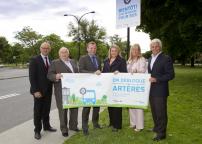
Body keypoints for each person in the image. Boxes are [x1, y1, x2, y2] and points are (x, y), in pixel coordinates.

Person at [47, 47, 79, 137]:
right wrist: (56, 76)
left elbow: (78, 73)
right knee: (63, 110)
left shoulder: (73, 62)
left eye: (66, 52)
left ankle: (73, 126)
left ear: (68, 53)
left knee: (74, 108)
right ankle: (64, 129)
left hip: (73, 90)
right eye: (62, 52)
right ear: (59, 54)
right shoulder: (54, 62)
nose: (64, 54)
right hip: (61, 90)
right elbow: (49, 75)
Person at [148, 38, 175, 141]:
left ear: (160, 47)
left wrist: (157, 79)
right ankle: (156, 127)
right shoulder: (150, 59)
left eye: (156, 46)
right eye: (152, 46)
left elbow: (171, 75)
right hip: (151, 90)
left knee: (161, 112)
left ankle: (161, 133)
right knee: (154, 111)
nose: (154, 48)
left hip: (160, 90)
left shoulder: (166, 58)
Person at [29, 42, 56, 140]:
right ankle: (37, 130)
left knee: (46, 109)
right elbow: (32, 77)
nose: (45, 49)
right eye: (43, 48)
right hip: (38, 91)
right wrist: (35, 90)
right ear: (40, 49)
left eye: (47, 48)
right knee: (38, 111)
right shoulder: (34, 60)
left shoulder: (51, 60)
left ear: (50, 49)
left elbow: (51, 74)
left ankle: (47, 126)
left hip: (48, 90)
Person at [79, 41, 102, 135]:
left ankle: (95, 123)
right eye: (91, 48)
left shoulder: (97, 58)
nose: (93, 50)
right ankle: (85, 127)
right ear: (87, 49)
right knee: (87, 108)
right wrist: (93, 73)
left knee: (97, 106)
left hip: (97, 86)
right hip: (88, 87)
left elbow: (100, 70)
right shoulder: (83, 58)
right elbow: (80, 70)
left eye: (94, 48)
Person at [102, 45, 127, 132]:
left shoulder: (122, 60)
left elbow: (125, 72)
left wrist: (119, 72)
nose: (113, 52)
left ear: (118, 51)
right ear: (110, 51)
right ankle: (112, 123)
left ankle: (117, 125)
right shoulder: (106, 60)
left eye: (115, 51)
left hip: (117, 86)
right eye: (112, 51)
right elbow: (104, 72)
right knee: (110, 105)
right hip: (108, 86)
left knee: (117, 105)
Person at [127, 44, 147, 132]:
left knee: (138, 104)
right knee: (131, 104)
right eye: (133, 50)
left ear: (139, 51)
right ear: (131, 51)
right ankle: (133, 123)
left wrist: (136, 71)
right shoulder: (129, 60)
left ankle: (139, 126)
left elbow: (143, 71)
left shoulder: (142, 59)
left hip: (139, 85)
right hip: (130, 85)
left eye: (136, 50)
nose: (134, 51)